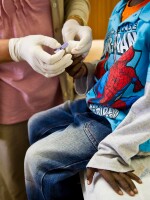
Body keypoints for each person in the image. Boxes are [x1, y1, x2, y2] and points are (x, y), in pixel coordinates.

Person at [24, 0, 150, 199]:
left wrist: (113, 152)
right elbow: (112, 65)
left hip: (122, 121)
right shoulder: (120, 8)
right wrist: (86, 71)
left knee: (37, 160)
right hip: (101, 106)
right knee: (36, 124)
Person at [0, 1, 92, 200]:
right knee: (19, 188)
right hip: (8, 105)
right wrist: (16, 48)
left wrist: (74, 21)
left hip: (60, 93)